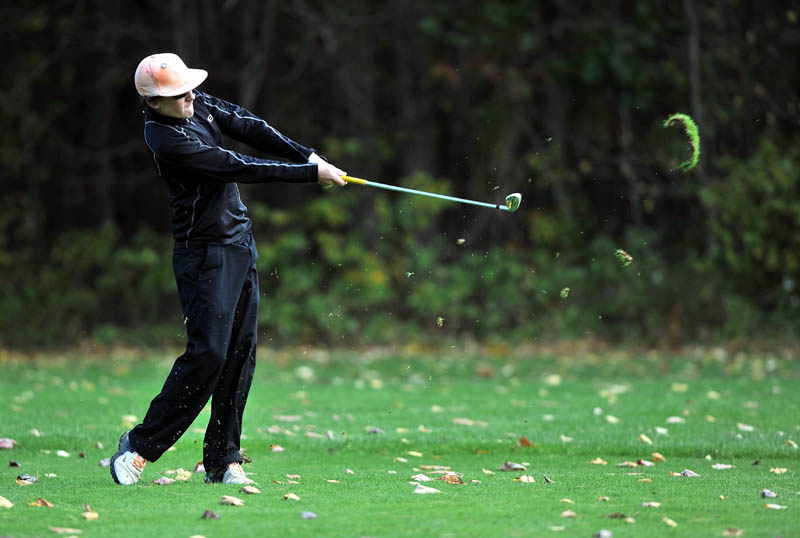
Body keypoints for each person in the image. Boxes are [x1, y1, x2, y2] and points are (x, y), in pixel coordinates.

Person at [110, 53, 347, 486]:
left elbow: (248, 125)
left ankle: (223, 460)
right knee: (209, 354)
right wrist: (308, 174)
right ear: (153, 103)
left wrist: (310, 156)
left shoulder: (194, 102)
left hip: (239, 243)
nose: (189, 99)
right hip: (203, 253)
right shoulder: (165, 138)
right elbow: (236, 166)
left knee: (240, 353)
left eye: (188, 89)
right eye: (177, 95)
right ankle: (139, 447)